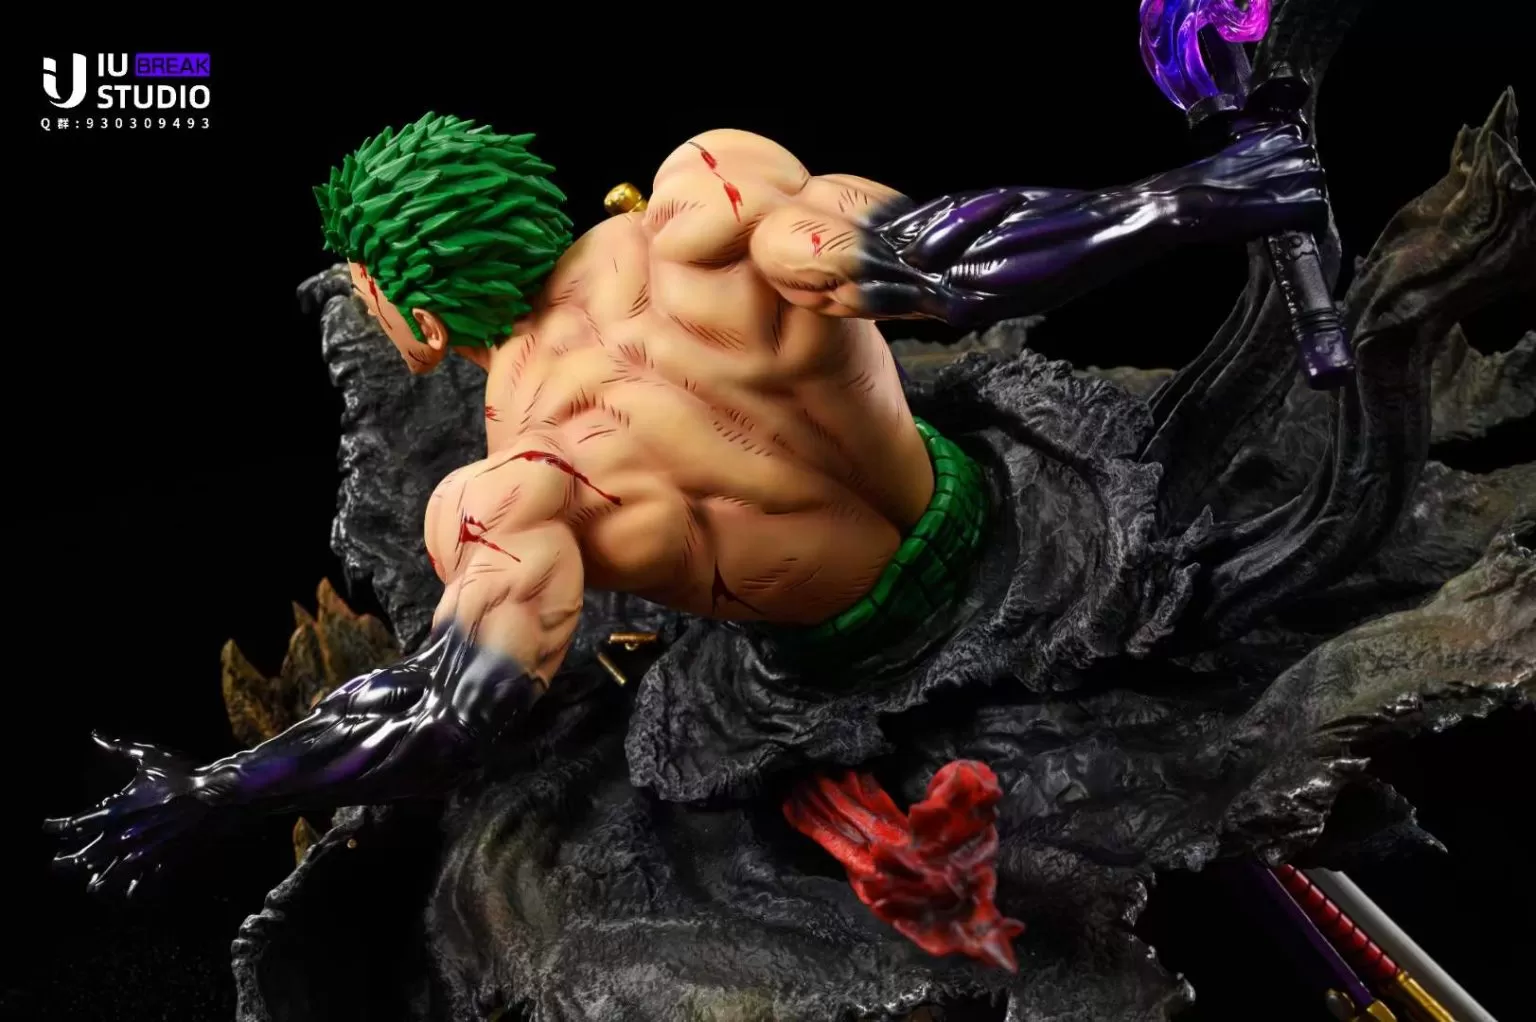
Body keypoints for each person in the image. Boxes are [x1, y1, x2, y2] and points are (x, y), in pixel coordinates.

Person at [46, 111, 1328, 915]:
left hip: (839, 672)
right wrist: (1196, 194)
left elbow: (446, 710)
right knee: (814, 251)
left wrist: (214, 788)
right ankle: (1239, 182)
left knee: (687, 746)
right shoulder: (700, 197)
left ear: (418, 317)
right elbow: (934, 255)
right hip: (1019, 516)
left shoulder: (516, 479)